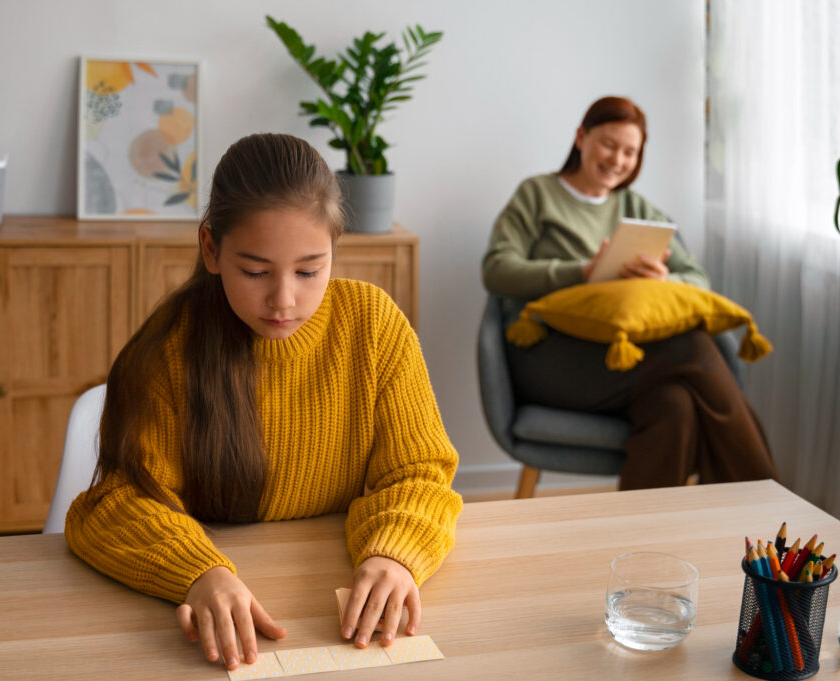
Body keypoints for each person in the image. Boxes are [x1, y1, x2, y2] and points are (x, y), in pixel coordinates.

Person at [66, 133, 462, 671]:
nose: (284, 299)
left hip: (322, 614)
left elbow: (420, 473)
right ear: (211, 249)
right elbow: (116, 504)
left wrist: (394, 553)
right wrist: (199, 573)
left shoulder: (374, 326)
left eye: (308, 270)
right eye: (255, 272)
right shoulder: (167, 351)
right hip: (214, 633)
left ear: (334, 252)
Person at [481, 96, 776, 489]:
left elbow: (696, 278)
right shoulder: (537, 195)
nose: (617, 160)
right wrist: (582, 273)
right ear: (581, 137)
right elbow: (496, 270)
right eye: (608, 144)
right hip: (547, 358)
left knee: (676, 405)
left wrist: (662, 281)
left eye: (630, 152)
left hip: (625, 359)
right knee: (690, 346)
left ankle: (642, 544)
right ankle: (762, 499)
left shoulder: (637, 207)